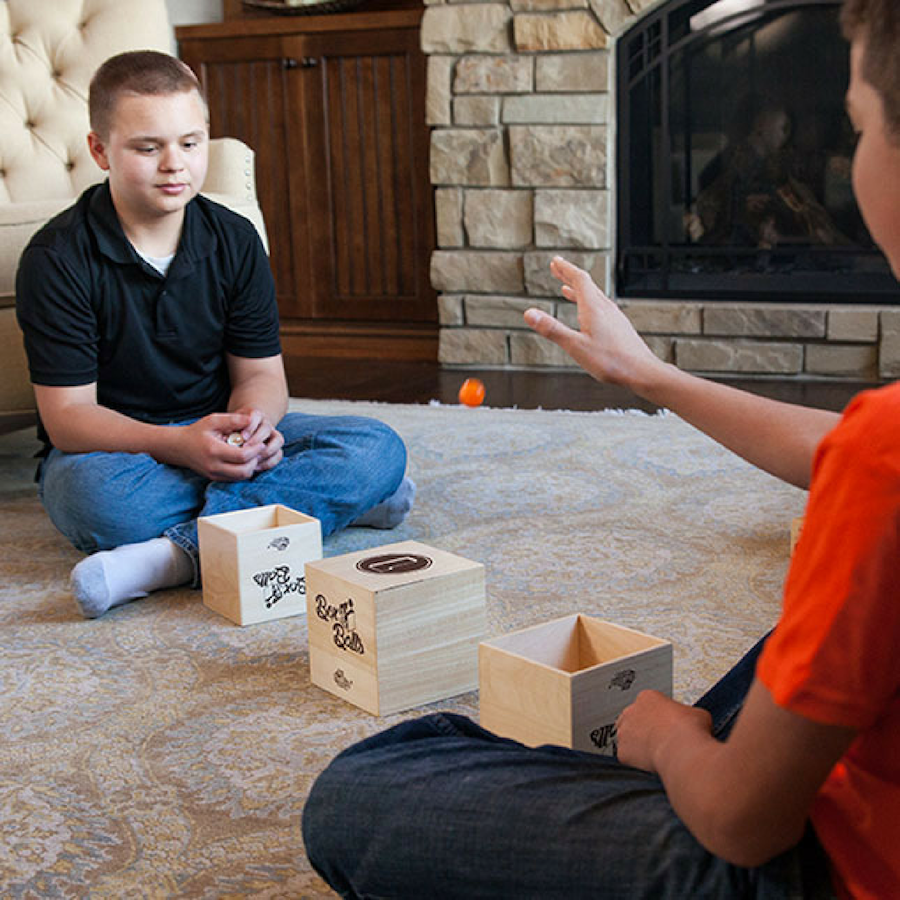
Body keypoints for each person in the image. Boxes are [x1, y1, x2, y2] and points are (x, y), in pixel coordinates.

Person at [301, 1, 899, 896]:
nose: (850, 163)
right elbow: (853, 455)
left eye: (856, 127)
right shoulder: (879, 457)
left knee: (363, 789)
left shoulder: (881, 466)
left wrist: (661, 734)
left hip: (827, 870)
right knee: (806, 637)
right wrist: (650, 376)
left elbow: (743, 823)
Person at [15, 51, 415, 620]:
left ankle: (169, 560)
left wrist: (255, 429)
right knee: (92, 501)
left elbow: (259, 375)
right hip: (118, 451)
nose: (174, 164)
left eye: (191, 142)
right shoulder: (57, 259)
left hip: (221, 431)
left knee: (378, 446)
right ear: (100, 150)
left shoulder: (234, 238)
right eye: (148, 147)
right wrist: (181, 446)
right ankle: (311, 510)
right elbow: (68, 417)